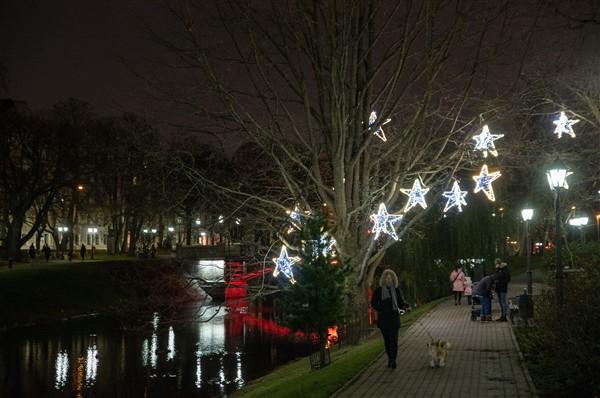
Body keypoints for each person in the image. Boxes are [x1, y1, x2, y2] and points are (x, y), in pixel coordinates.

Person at [371, 269, 409, 369]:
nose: (389, 279)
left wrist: (405, 306)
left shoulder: (396, 290)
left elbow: (400, 303)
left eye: (390, 277)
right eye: (387, 277)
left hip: (394, 318)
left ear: (393, 278)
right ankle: (389, 358)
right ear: (383, 279)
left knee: (394, 341)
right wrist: (380, 309)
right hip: (384, 319)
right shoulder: (379, 290)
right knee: (387, 341)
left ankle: (393, 360)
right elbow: (373, 303)